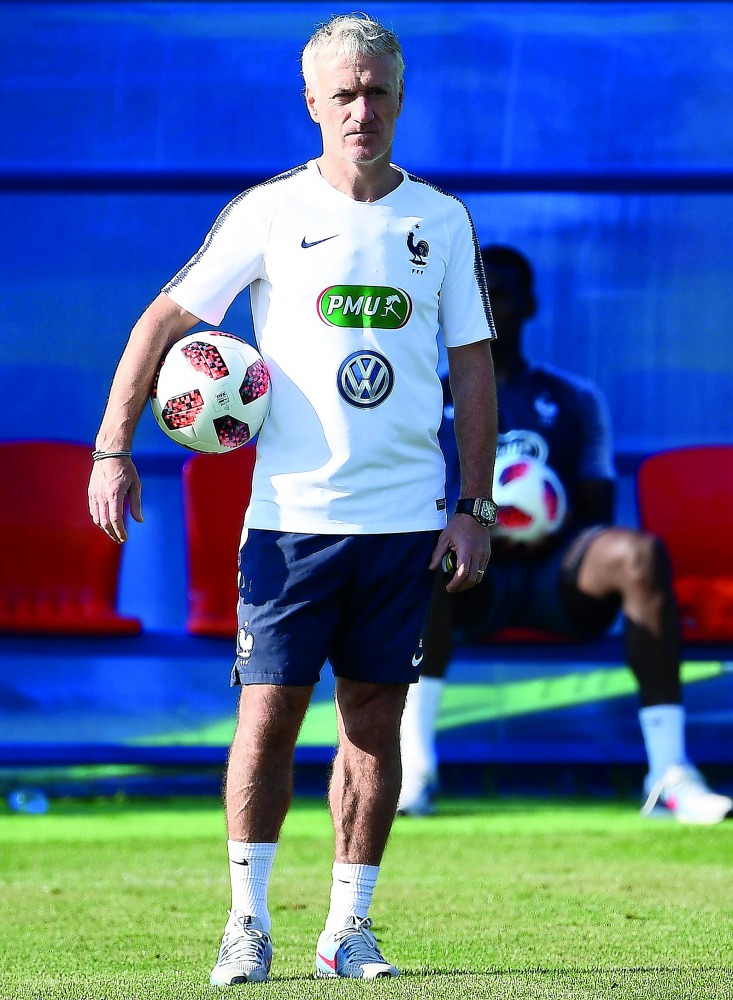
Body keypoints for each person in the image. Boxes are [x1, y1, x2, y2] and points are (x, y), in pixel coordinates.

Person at [88, 13, 498, 984]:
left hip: (401, 522)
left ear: (401, 99)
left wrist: (471, 506)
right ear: (311, 103)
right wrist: (114, 447)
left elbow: (473, 366)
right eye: (342, 93)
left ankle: (346, 928)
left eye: (377, 92)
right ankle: (246, 921)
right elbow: (164, 317)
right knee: (267, 717)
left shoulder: (438, 220)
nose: (361, 109)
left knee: (372, 724)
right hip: (288, 523)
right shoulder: (268, 211)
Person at [398, 244, 733, 826]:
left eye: (500, 292)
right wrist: (479, 527)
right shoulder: (427, 397)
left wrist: (537, 522)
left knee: (640, 553)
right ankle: (416, 767)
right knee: (421, 553)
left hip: (559, 576)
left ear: (529, 305)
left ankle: (670, 774)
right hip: (465, 585)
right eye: (475, 293)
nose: (487, 304)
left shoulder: (576, 399)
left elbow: (597, 509)